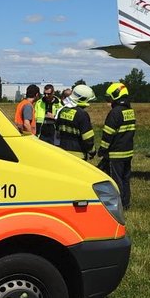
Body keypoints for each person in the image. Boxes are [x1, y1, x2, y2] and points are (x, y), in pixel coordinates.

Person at [99, 81, 135, 209]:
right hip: (128, 152)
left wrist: (102, 149)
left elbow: (108, 134)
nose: (109, 102)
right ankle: (126, 204)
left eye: (110, 98)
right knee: (125, 180)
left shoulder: (115, 113)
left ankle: (117, 205)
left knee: (116, 180)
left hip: (116, 153)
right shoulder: (129, 111)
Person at [56, 84, 96, 159]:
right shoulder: (82, 114)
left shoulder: (61, 111)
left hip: (62, 153)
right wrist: (92, 151)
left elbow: (57, 133)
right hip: (78, 155)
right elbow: (88, 138)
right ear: (83, 99)